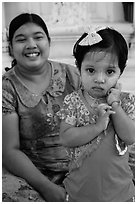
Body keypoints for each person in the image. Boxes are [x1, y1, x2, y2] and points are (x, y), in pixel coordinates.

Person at [2, 13, 80, 202]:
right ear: (11, 48)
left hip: (81, 166)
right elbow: (9, 150)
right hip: (34, 175)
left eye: (38, 37)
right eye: (21, 39)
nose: (31, 44)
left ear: (48, 42)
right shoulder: (7, 88)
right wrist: (47, 188)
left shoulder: (73, 74)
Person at [59, 26, 135, 201]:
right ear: (79, 68)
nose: (99, 79)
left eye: (109, 72)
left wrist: (115, 105)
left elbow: (130, 137)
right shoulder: (73, 101)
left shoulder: (124, 101)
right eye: (91, 70)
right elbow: (66, 138)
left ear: (120, 72)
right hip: (80, 192)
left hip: (120, 193)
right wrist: (98, 126)